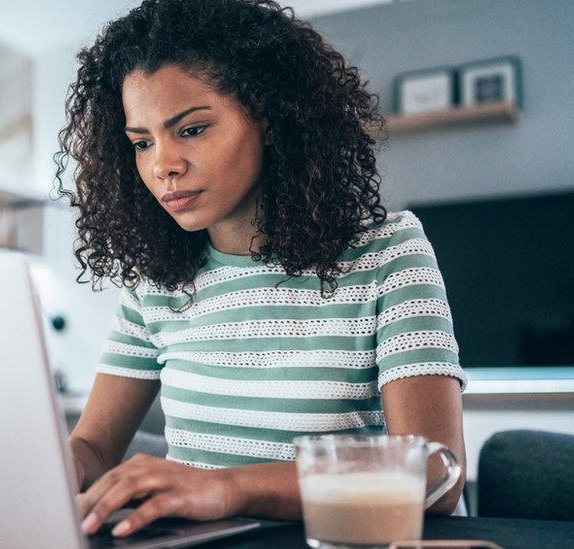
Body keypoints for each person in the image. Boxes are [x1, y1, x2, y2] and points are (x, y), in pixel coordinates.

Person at [52, 0, 467, 538]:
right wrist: (60, 467)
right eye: (141, 142)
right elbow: (93, 446)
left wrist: (227, 487)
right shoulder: (155, 285)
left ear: (270, 119)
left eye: (193, 129)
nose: (162, 165)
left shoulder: (388, 253)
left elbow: (436, 474)